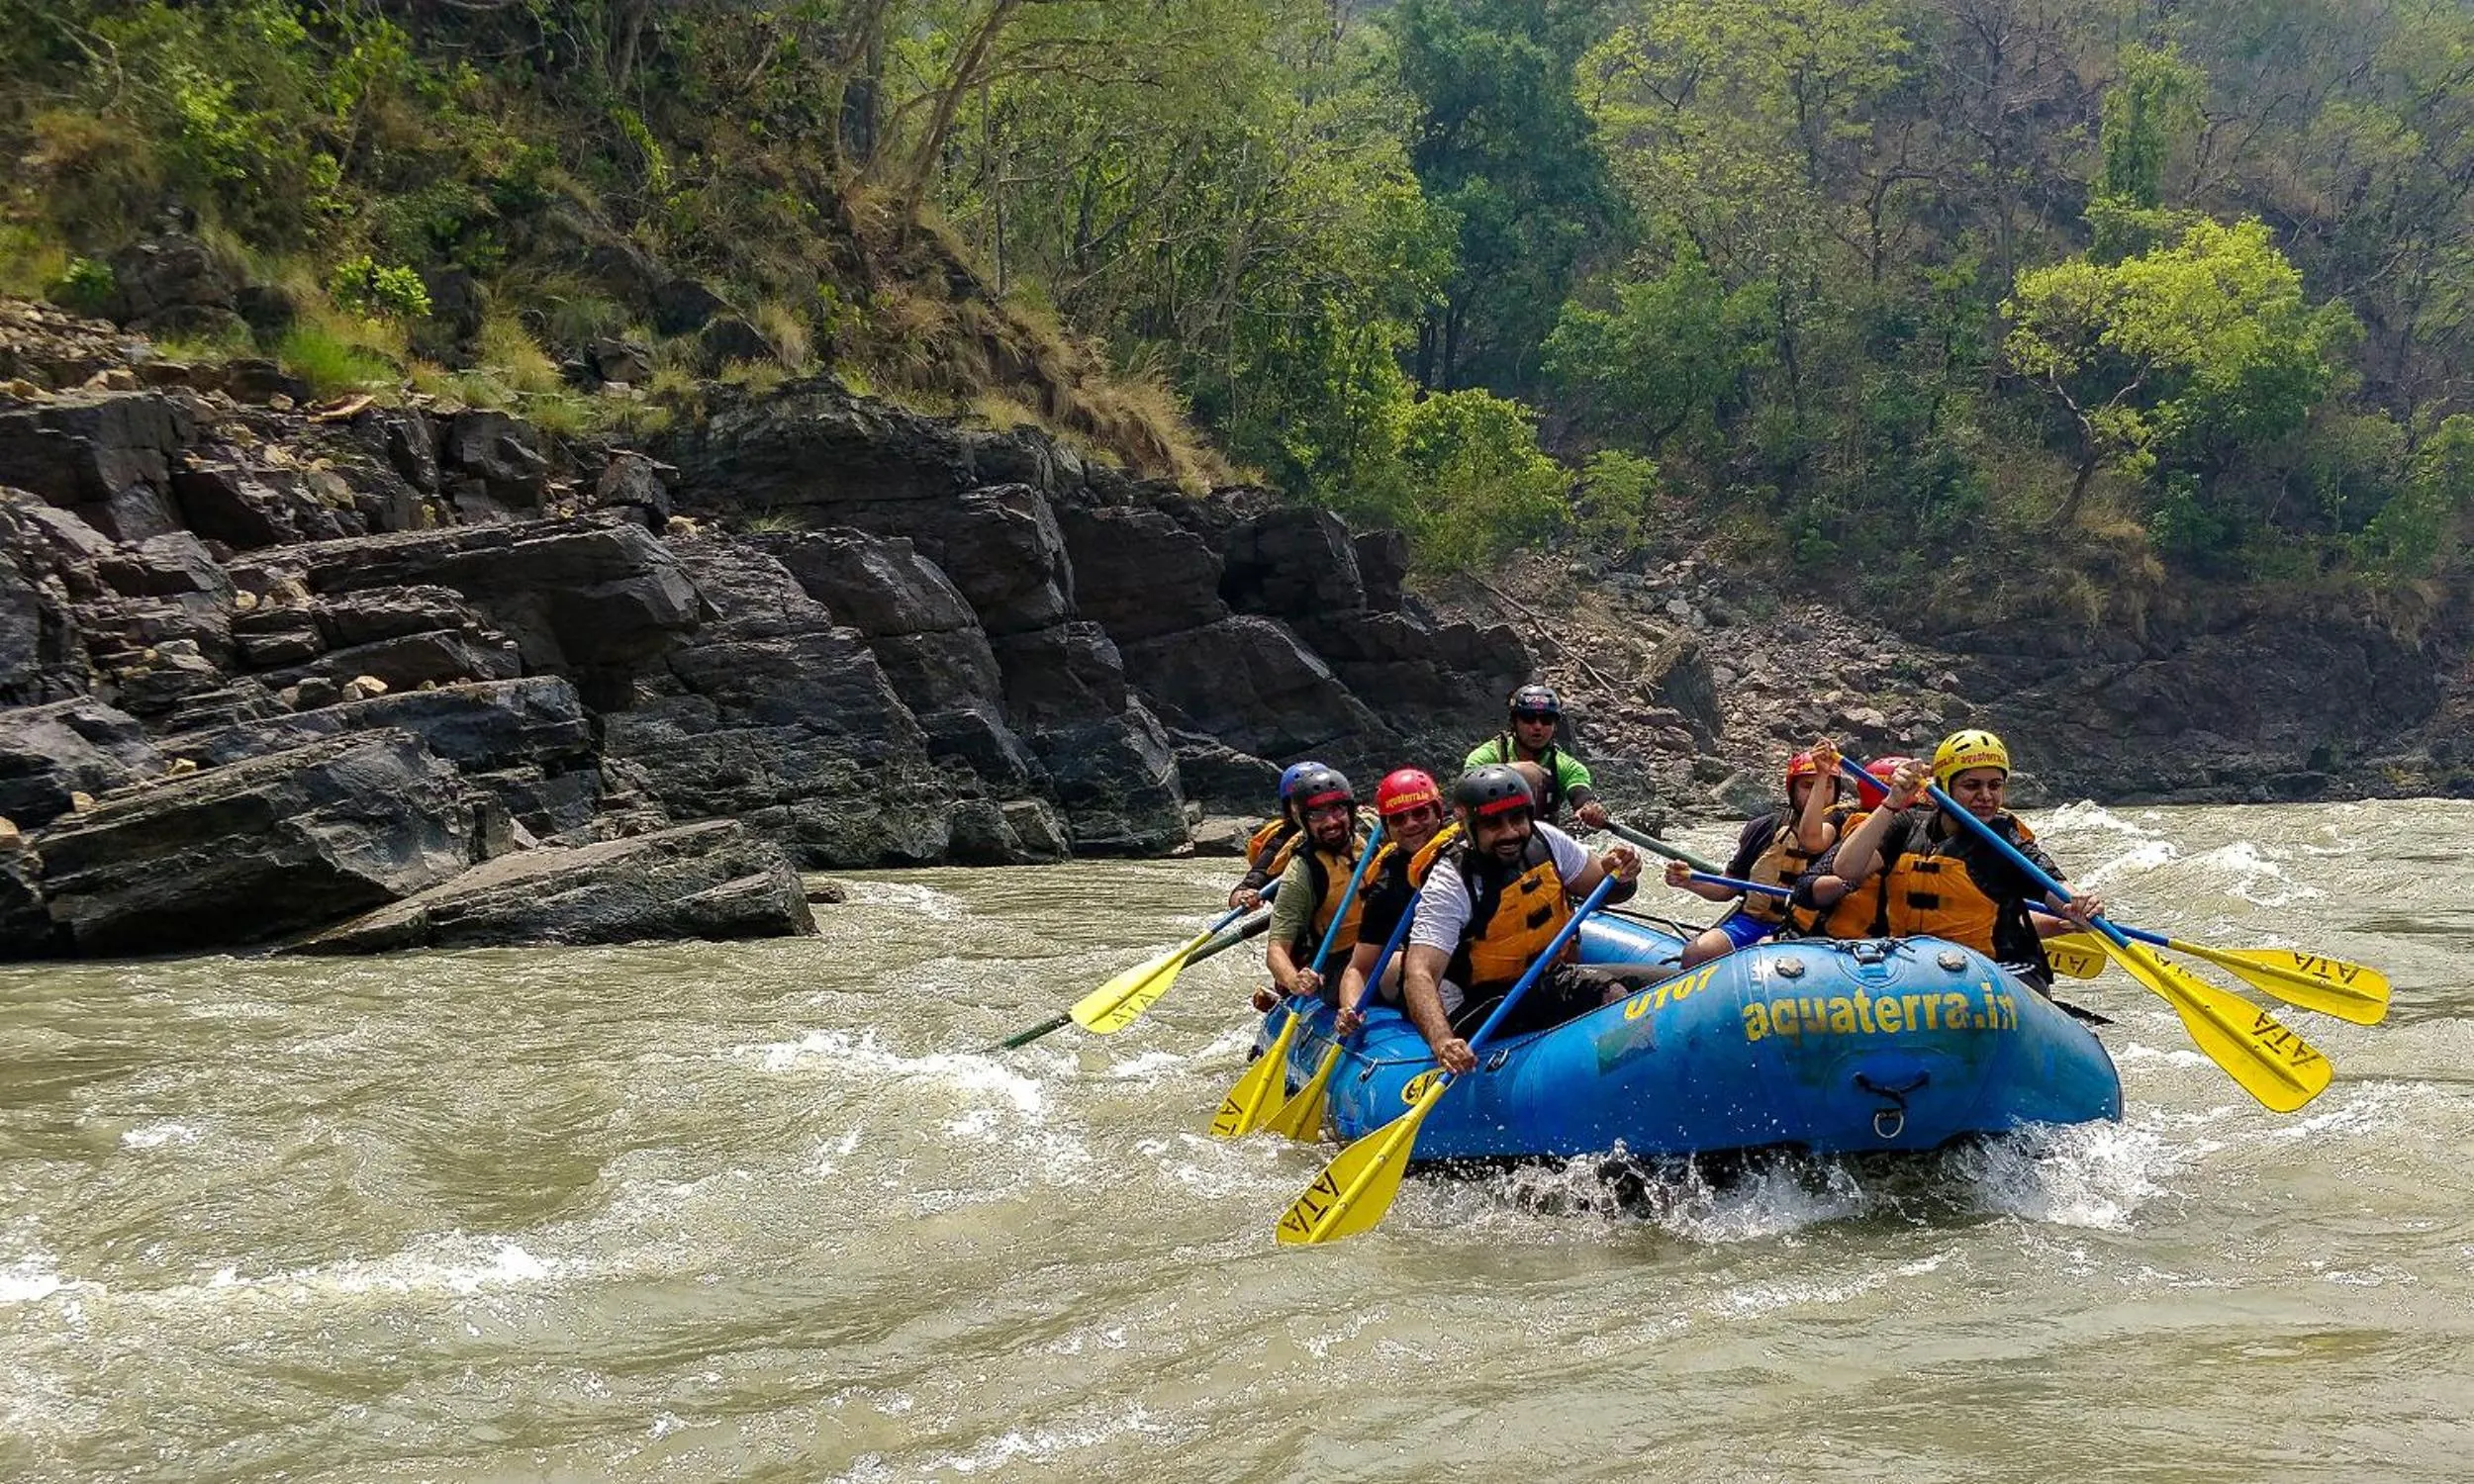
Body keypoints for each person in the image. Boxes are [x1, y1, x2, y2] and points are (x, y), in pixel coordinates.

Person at [1399, 765, 1646, 1073]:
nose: (1510, 832)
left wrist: (1621, 873)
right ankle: (1625, 1087)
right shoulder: (1451, 882)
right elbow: (1420, 974)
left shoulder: (1547, 841)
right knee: (1607, 993)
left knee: (1663, 985)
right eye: (1493, 823)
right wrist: (1442, 1042)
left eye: (1517, 818)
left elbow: (1604, 888)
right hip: (1480, 1005)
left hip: (1544, 980)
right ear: (1469, 827)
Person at [1808, 730, 2103, 980]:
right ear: (1944, 788)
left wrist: (2080, 904)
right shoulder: (1907, 825)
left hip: (1993, 971)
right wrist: (1892, 802)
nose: (1986, 795)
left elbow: (2053, 886)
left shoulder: (2007, 841)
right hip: (1913, 969)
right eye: (1972, 785)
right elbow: (1847, 868)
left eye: (1995, 785)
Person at [1665, 742, 1845, 967]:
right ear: (1793, 790)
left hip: (1811, 929)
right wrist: (1688, 881)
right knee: (1696, 953)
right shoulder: (1763, 828)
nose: (1819, 793)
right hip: (1754, 922)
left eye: (1828, 786)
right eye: (1808, 786)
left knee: (1766, 956)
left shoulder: (1846, 829)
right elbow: (1728, 888)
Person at [1333, 768, 1453, 1034]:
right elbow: (1359, 968)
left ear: (1438, 813)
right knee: (1392, 965)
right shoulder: (1388, 885)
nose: (1410, 824)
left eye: (1420, 813)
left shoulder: (1471, 848)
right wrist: (1351, 1009)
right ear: (1387, 827)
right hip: (1430, 977)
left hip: (1484, 962)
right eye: (1398, 818)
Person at [1262, 766, 1374, 1005]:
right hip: (1335, 967)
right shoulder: (1301, 871)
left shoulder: (1370, 846)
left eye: (1337, 809)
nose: (1331, 821)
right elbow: (1276, 951)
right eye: (1317, 815)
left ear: (1351, 811)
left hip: (1379, 952)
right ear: (1304, 822)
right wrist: (1294, 981)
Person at [1464, 684, 1610, 830]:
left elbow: (1580, 794)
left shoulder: (1568, 767)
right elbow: (1468, 791)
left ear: (1554, 726)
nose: (1538, 726)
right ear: (1514, 723)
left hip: (1539, 843)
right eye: (1529, 718)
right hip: (1490, 837)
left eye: (1546, 720)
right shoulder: (1485, 757)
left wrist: (1589, 809)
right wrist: (1516, 771)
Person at [1228, 761, 1325, 910]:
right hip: (1304, 921)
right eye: (1301, 801)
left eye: (1317, 800)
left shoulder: (1352, 827)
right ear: (1289, 807)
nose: (1310, 808)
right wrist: (1244, 897)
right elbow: (1244, 888)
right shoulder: (1281, 842)